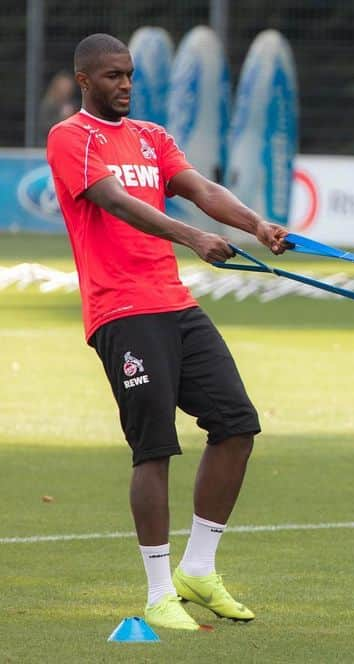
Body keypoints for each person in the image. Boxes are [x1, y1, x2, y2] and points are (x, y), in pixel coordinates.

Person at [45, 33, 290, 632]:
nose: (125, 84)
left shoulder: (153, 137)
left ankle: (198, 569)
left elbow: (202, 190)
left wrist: (256, 224)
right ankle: (159, 593)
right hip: (122, 312)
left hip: (175, 305)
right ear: (84, 80)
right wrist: (193, 238)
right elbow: (115, 202)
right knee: (154, 448)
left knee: (236, 424)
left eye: (129, 74)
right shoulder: (70, 138)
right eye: (111, 76)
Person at [37, 71, 78, 146]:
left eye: (68, 86)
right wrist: (62, 118)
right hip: (49, 144)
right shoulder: (49, 105)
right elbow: (45, 127)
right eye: (64, 86)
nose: (66, 89)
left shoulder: (72, 104)